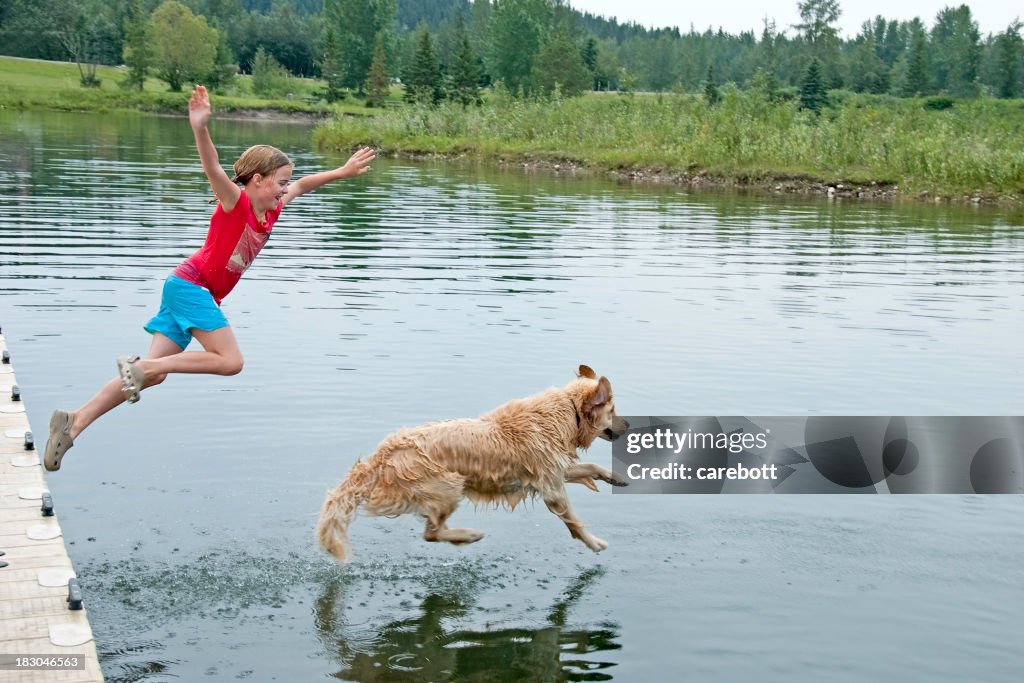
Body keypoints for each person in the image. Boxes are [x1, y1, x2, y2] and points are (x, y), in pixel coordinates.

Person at [43, 84, 376, 471]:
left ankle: (74, 423)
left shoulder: (272, 208)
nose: (286, 188)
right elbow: (213, 168)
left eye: (286, 183)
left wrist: (344, 171)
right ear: (255, 179)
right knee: (229, 361)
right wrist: (200, 127)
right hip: (192, 287)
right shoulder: (235, 203)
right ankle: (145, 367)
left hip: (184, 288)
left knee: (152, 378)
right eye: (280, 181)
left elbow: (304, 184)